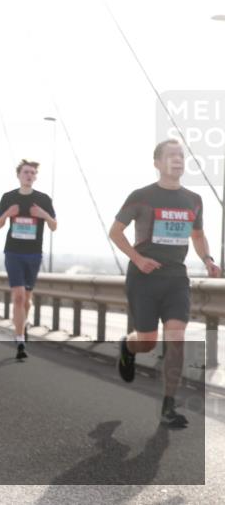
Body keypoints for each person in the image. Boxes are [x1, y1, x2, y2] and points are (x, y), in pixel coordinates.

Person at [109, 139, 220, 427]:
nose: (177, 160)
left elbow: (197, 235)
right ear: (157, 163)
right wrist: (137, 259)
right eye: (171, 155)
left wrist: (207, 259)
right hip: (144, 279)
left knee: (176, 339)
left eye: (181, 155)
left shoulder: (193, 200)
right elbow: (116, 232)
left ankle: (168, 406)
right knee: (147, 342)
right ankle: (128, 348)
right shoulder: (141, 196)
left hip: (176, 280)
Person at [0, 159, 57, 359]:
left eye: (32, 173)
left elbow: (54, 225)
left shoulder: (43, 199)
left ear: (35, 176)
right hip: (13, 253)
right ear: (18, 175)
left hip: (34, 254)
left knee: (27, 300)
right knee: (19, 297)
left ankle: (22, 323)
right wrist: (7, 214)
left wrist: (43, 214)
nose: (29, 175)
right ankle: (20, 339)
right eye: (25, 172)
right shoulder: (8, 197)